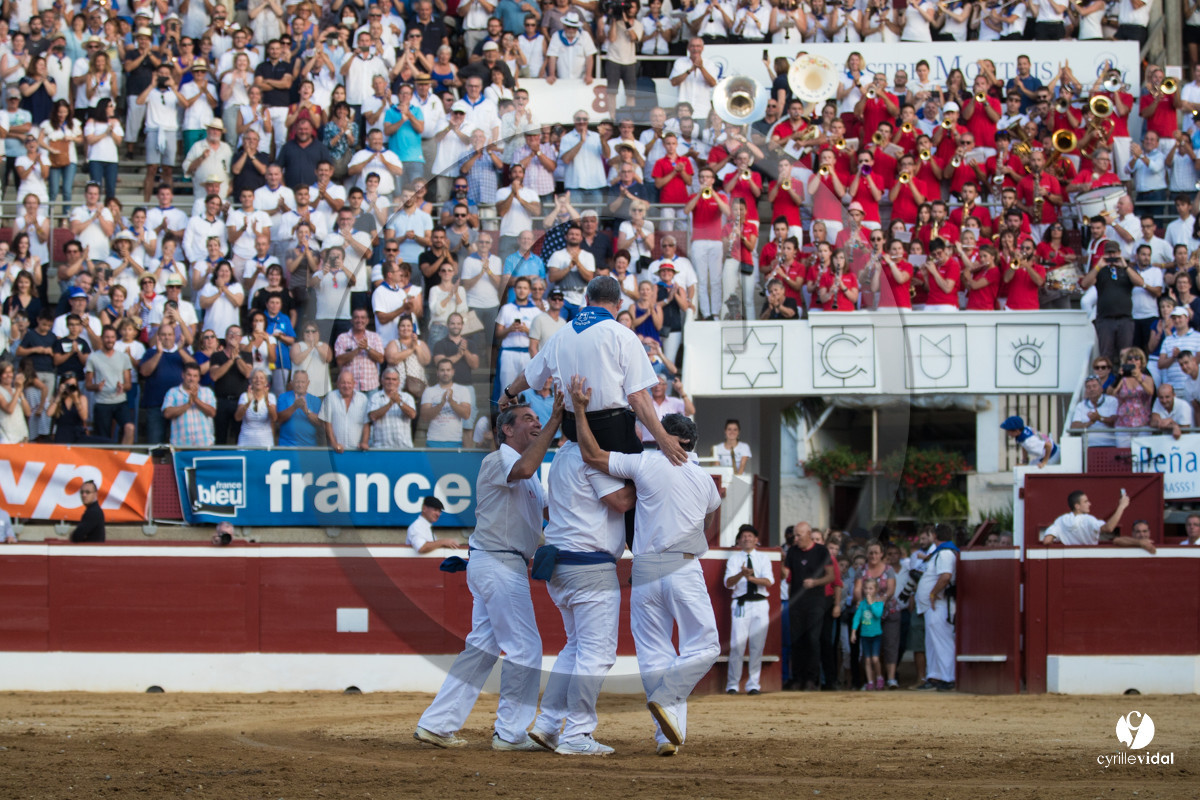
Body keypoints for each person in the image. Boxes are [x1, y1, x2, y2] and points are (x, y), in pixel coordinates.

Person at [569, 379, 720, 756]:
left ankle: (665, 735)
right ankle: (668, 700)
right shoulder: (704, 480)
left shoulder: (645, 464)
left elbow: (591, 455)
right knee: (704, 645)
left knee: (654, 653)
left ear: (669, 439)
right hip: (683, 565)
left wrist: (581, 411)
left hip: (645, 567)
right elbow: (712, 512)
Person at [415, 397, 564, 751]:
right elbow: (526, 470)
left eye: (538, 418)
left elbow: (545, 509)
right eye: (528, 418)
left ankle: (436, 724)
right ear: (507, 430)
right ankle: (510, 734)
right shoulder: (498, 460)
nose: (536, 422)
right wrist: (556, 418)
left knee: (481, 648)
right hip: (499, 564)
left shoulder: (528, 473)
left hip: (496, 562)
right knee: (525, 649)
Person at [782, 521, 833, 691]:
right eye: (795, 535)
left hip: (815, 601)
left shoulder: (821, 551)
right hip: (796, 602)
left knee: (812, 639)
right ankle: (797, 678)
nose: (795, 539)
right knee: (796, 640)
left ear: (809, 534)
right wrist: (780, 564)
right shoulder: (792, 552)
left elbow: (830, 576)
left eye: (799, 535)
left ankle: (812, 678)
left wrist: (815, 582)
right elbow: (787, 574)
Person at [724, 524, 772, 696]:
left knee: (757, 646)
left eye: (750, 536)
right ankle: (733, 684)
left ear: (756, 540)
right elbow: (728, 583)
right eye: (743, 536)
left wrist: (750, 577)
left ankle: (753, 684)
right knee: (737, 645)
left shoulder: (763, 559)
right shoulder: (734, 560)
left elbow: (768, 582)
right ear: (739, 540)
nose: (747, 538)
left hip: (759, 603)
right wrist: (741, 575)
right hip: (741, 604)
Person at [913, 523, 957, 692]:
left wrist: (932, 593)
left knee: (942, 640)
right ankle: (936, 676)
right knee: (933, 642)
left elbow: (945, 577)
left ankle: (948, 677)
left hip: (939, 603)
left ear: (934, 536)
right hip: (932, 606)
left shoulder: (945, 553)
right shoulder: (941, 553)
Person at [1042, 490, 1154, 553]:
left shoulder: (1061, 520)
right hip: (1090, 557)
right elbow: (1109, 528)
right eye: (1085, 501)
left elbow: (1047, 540)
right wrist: (1121, 506)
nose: (1089, 503)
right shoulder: (1088, 520)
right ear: (1077, 506)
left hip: (1069, 559)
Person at [162, 362, 217, 447]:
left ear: (199, 378)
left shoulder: (207, 392)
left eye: (195, 376)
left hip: (203, 442)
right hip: (180, 444)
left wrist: (196, 400)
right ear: (183, 375)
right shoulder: (172, 392)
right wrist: (188, 404)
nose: (192, 379)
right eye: (189, 375)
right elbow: (167, 413)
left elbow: (212, 413)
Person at [320, 369, 370, 453]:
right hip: (336, 450)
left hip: (357, 450)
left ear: (354, 384)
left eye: (349, 383)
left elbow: (366, 423)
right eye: (343, 382)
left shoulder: (363, 399)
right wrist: (334, 443)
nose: (346, 386)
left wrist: (364, 442)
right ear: (338, 384)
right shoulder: (330, 397)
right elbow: (327, 424)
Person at [368, 366, 418, 449]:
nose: (391, 382)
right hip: (381, 448)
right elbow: (373, 416)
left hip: (404, 448)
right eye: (388, 379)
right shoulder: (375, 397)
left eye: (394, 379)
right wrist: (390, 403)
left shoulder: (407, 397)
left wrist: (399, 402)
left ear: (398, 382)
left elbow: (412, 415)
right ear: (382, 381)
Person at [850, 578, 884, 692]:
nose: (868, 591)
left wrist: (871, 604)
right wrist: (854, 631)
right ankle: (870, 681)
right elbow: (857, 618)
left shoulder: (879, 603)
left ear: (876, 590)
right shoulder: (862, 604)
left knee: (875, 659)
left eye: (871, 588)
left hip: (876, 635)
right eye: (866, 588)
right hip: (865, 635)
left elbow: (878, 614)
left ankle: (879, 678)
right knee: (867, 660)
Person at [1070, 375, 1119, 448]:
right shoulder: (1081, 405)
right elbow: (1074, 427)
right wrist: (1089, 423)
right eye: (1088, 387)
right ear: (1086, 391)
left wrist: (1099, 418)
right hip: (1088, 447)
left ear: (1101, 388)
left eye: (1094, 386)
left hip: (1110, 444)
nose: (1091, 389)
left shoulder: (1111, 401)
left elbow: (1116, 422)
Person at [276, 370, 323, 447]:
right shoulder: (283, 397)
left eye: (303, 382)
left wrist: (306, 411)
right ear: (292, 383)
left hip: (309, 447)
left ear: (308, 383)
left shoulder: (315, 400)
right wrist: (294, 406)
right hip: (287, 446)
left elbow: (320, 423)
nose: (300, 385)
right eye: (297, 382)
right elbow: (279, 419)